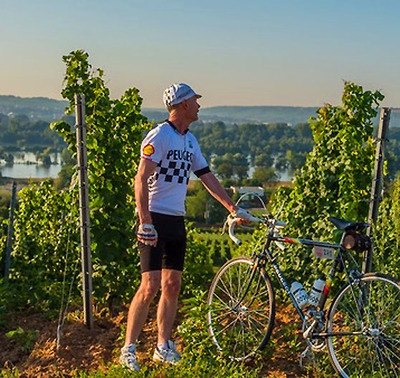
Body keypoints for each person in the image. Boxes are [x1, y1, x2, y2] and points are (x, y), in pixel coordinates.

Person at [119, 83, 252, 371]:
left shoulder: (190, 141)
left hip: (177, 220)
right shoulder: (160, 136)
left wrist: (232, 208)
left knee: (172, 284)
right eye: (194, 100)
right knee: (150, 285)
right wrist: (145, 221)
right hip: (154, 218)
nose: (199, 105)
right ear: (182, 105)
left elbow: (206, 177)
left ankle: (162, 346)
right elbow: (140, 179)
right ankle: (129, 348)